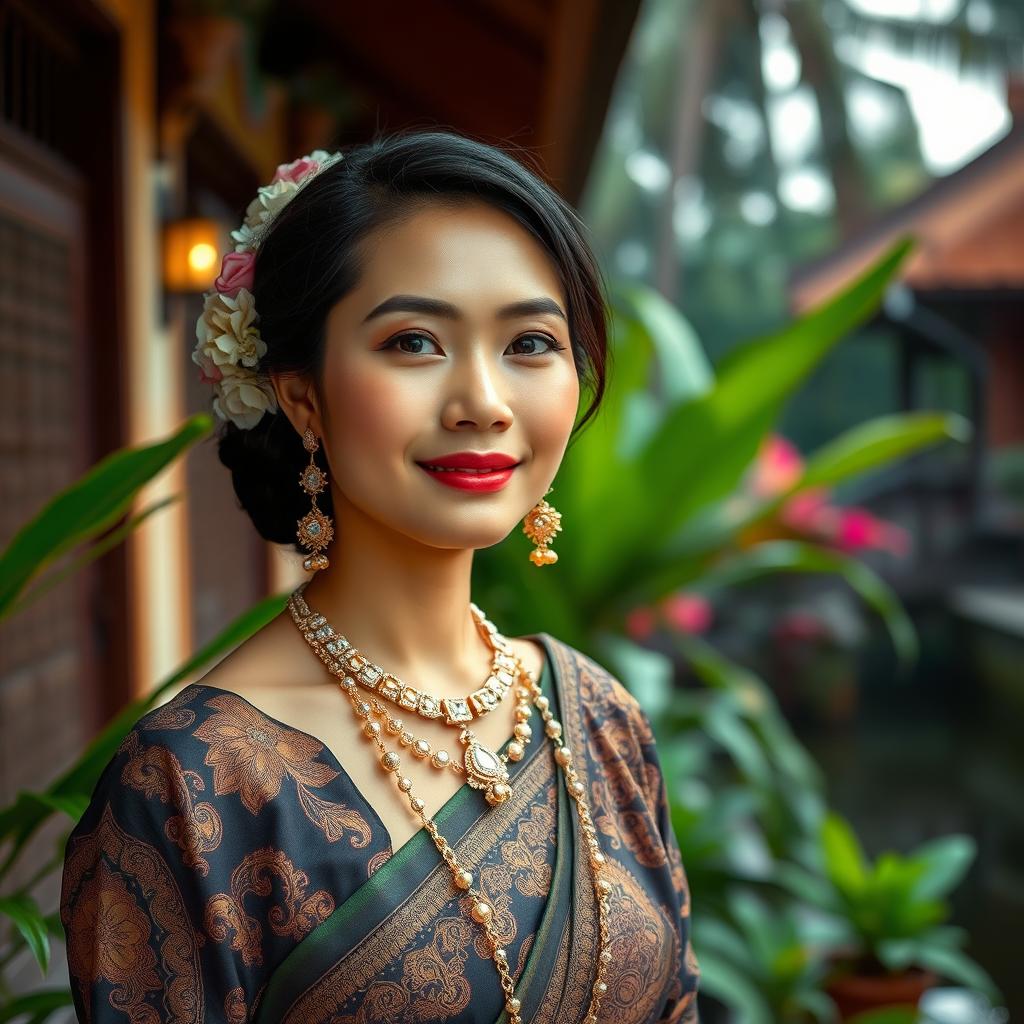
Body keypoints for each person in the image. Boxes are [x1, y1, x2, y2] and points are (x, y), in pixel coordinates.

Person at [60, 130, 701, 1023]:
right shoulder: (190, 789)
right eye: (412, 341)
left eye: (530, 342)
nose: (483, 400)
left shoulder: (598, 718)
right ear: (302, 395)